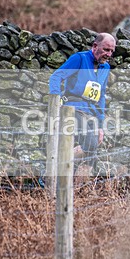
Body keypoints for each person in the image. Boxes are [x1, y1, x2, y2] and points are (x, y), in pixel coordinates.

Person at [48, 33, 116, 168]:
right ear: (95, 46)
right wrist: (55, 105)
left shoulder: (105, 68)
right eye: (106, 50)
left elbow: (101, 96)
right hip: (73, 109)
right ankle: (52, 170)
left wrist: (101, 126)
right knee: (90, 144)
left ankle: (60, 179)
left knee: (92, 149)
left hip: (91, 112)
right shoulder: (79, 58)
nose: (109, 54)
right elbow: (56, 77)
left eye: (112, 51)